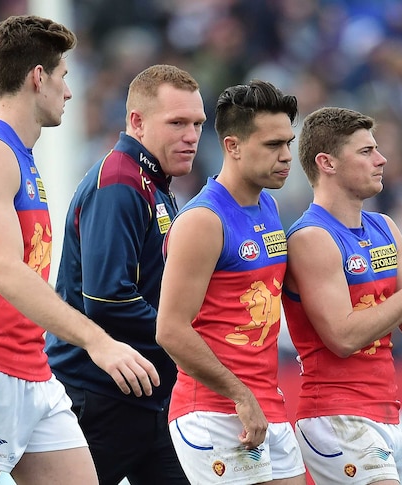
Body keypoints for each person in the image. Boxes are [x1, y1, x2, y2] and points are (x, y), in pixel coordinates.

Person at [0, 15, 157, 485]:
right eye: (64, 76)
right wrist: (98, 341)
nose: (69, 91)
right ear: (37, 77)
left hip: (31, 371)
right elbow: (5, 273)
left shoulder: (18, 157)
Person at [281, 106, 402, 484]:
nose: (381, 159)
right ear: (327, 163)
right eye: (366, 151)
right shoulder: (311, 238)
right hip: (335, 415)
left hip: (386, 412)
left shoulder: (384, 227)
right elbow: (343, 338)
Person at [44, 64, 205, 485]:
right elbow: (107, 297)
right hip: (101, 398)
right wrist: (188, 336)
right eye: (177, 123)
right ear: (136, 121)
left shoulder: (153, 181)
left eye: (197, 124)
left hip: (149, 395)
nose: (191, 135)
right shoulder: (119, 182)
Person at [156, 80, 306, 485]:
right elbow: (170, 330)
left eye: (288, 143)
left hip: (266, 404)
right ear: (233, 146)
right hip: (214, 409)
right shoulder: (203, 221)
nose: (286, 156)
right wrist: (240, 395)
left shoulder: (269, 205)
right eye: (273, 145)